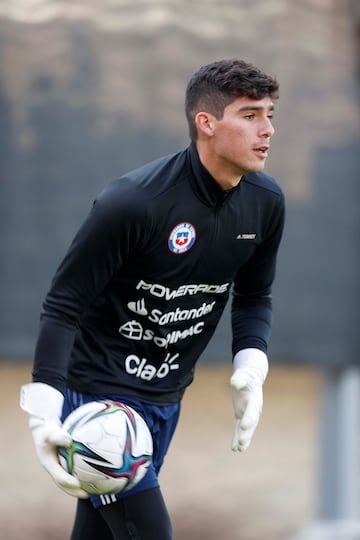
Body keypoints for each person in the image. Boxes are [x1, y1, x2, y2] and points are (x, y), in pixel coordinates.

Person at [20, 58, 285, 540]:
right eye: (249, 115)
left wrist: (251, 365)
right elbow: (64, 303)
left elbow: (253, 296)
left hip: (165, 399)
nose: (266, 129)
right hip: (99, 401)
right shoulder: (133, 202)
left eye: (269, 114)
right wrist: (44, 405)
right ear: (206, 123)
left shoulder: (265, 202)